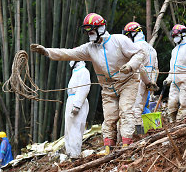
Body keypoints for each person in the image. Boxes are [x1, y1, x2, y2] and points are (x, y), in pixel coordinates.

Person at [30, 13, 145, 155]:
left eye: (92, 31)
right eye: (88, 32)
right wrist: (48, 52)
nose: (89, 35)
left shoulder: (119, 40)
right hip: (108, 88)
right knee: (109, 118)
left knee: (126, 112)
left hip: (127, 82)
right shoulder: (90, 48)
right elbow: (69, 53)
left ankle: (127, 148)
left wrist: (130, 66)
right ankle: (109, 149)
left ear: (101, 28)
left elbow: (139, 54)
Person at [122, 22, 159, 134]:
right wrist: (152, 83)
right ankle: (151, 130)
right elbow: (156, 68)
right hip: (149, 80)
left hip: (139, 79)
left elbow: (139, 66)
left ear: (133, 34)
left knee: (135, 109)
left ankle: (139, 134)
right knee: (144, 107)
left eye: (128, 35)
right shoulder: (151, 48)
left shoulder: (136, 47)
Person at [163, 24, 186, 122]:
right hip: (175, 81)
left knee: (184, 103)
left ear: (183, 35)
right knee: (171, 103)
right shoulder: (175, 50)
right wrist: (169, 79)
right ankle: (172, 123)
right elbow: (173, 68)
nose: (175, 38)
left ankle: (181, 123)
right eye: (174, 36)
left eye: (176, 35)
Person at [64, 61, 90, 158]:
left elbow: (84, 89)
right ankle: (70, 152)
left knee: (75, 127)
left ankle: (75, 154)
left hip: (77, 101)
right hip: (71, 99)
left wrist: (77, 105)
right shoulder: (76, 72)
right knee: (69, 128)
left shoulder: (84, 71)